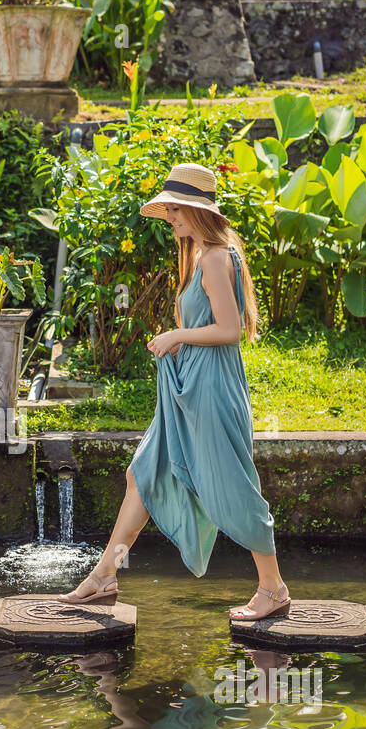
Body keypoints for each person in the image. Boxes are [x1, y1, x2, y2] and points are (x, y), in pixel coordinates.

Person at [57, 162, 290, 621]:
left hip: (211, 391)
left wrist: (176, 336)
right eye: (168, 212)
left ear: (200, 211)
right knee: (142, 473)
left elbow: (230, 330)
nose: (171, 219)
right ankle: (106, 573)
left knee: (234, 486)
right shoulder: (202, 254)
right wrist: (177, 341)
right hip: (189, 387)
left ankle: (273, 587)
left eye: (177, 211)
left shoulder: (217, 257)